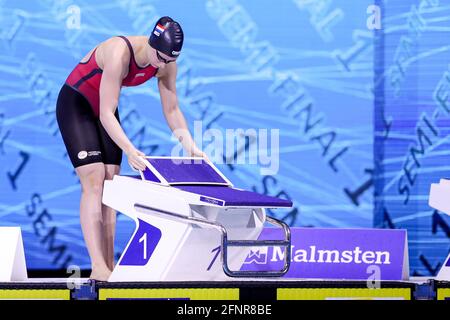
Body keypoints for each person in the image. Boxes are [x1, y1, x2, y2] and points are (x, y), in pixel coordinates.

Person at [56, 16, 205, 281]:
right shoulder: (118, 52)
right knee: (94, 180)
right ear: (151, 43)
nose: (164, 65)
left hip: (105, 110)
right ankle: (97, 265)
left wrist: (190, 146)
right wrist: (131, 149)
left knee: (111, 185)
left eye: (170, 61)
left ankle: (109, 266)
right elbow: (105, 112)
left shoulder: (167, 63)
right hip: (77, 104)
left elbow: (171, 109)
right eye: (161, 58)